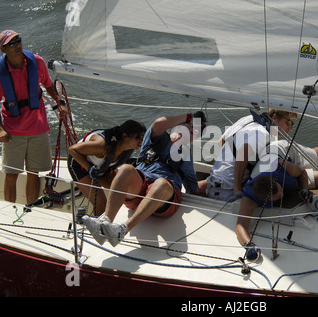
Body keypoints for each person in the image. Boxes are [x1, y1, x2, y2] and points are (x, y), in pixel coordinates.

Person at [82, 113, 206, 246]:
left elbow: (194, 188)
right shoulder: (155, 138)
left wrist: (212, 182)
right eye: (186, 128)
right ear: (175, 126)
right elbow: (159, 123)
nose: (187, 133)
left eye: (192, 134)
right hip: (140, 188)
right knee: (126, 169)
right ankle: (104, 223)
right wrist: (188, 116)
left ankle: (121, 231)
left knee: (161, 184)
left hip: (164, 197)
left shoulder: (186, 155)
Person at [0, 30, 67, 204]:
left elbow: (49, 86)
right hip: (13, 131)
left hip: (38, 128)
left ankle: (29, 209)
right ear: (3, 49)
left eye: (18, 40)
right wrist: (1, 130)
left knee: (34, 173)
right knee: (11, 175)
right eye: (11, 43)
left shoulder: (36, 62)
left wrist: (59, 102)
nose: (17, 45)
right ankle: (10, 212)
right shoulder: (0, 72)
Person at [207, 109, 296, 202]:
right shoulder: (262, 133)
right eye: (289, 122)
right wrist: (237, 189)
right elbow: (242, 154)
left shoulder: (248, 119)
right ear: (274, 118)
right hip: (228, 191)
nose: (291, 128)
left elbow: (221, 142)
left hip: (213, 180)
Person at [236, 156, 313, 260]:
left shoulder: (280, 167)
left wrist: (305, 189)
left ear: (275, 182)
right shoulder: (249, 197)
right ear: (263, 199)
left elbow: (302, 172)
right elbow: (240, 226)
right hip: (264, 166)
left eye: (280, 190)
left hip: (283, 159)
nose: (281, 195)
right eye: (277, 197)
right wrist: (249, 245)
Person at [68, 120, 147, 215]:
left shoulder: (128, 147)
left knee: (123, 189)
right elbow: (72, 150)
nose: (141, 141)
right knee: (101, 205)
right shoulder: (101, 145)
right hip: (79, 164)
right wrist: (89, 168)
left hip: (102, 167)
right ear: (125, 136)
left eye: (143, 137)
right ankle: (94, 227)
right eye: (138, 137)